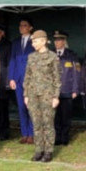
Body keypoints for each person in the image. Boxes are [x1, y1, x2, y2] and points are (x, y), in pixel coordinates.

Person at [23, 30, 60, 162]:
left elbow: (57, 78)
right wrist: (26, 94)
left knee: (48, 123)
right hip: (33, 95)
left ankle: (48, 151)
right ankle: (39, 150)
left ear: (44, 41)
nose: (33, 44)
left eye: (35, 41)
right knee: (36, 123)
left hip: (47, 95)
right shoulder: (31, 57)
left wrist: (56, 96)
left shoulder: (52, 57)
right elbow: (27, 77)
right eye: (32, 41)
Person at [8, 18, 35, 145]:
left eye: (24, 25)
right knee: (21, 107)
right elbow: (12, 60)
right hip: (18, 80)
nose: (21, 27)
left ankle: (32, 133)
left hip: (31, 80)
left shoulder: (35, 41)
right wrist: (11, 78)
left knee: (31, 107)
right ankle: (24, 134)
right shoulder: (15, 42)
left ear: (30, 27)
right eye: (20, 25)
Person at [52, 30, 82, 146]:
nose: (57, 42)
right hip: (54, 92)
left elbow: (76, 73)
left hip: (67, 90)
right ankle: (57, 137)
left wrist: (75, 89)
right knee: (55, 117)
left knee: (66, 116)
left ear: (64, 41)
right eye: (55, 40)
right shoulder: (51, 54)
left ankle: (65, 137)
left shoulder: (71, 55)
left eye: (59, 40)